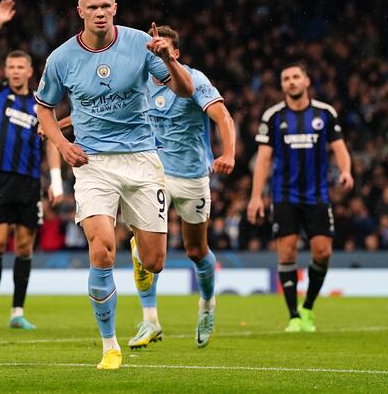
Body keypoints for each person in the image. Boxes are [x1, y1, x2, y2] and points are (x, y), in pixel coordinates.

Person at [35, 0, 193, 370]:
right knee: (102, 247)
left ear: (116, 8)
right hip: (94, 164)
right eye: (93, 7)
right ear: (81, 12)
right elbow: (43, 109)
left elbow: (186, 91)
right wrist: (62, 144)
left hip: (141, 158)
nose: (100, 12)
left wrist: (169, 59)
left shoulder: (141, 43)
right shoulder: (60, 58)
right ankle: (110, 346)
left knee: (155, 262)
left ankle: (140, 253)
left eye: (106, 6)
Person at [128, 25, 236, 349]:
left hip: (191, 176)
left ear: (175, 53)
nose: (158, 55)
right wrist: (58, 127)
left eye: (164, 50)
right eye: (153, 50)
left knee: (195, 250)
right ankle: (150, 321)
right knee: (146, 249)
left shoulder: (194, 80)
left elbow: (223, 116)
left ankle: (207, 303)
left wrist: (228, 152)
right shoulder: (139, 82)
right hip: (153, 174)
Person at [0, 0, 63, 332]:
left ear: (29, 71)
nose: (15, 72)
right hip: (1, 179)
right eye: (10, 67)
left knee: (24, 247)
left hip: (29, 183)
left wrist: (56, 180)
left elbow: (51, 141)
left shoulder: (41, 104)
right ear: (5, 72)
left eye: (20, 67)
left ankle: (17, 312)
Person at [247, 61, 354, 332]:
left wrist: (346, 171)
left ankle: (309, 307)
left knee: (323, 252)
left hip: (317, 195)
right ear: (282, 85)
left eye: (296, 77)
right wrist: (256, 196)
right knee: (287, 251)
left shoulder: (325, 113)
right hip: (284, 196)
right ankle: (294, 315)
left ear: (306, 81)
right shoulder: (273, 117)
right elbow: (263, 160)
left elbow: (339, 147)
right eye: (286, 78)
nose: (291, 82)